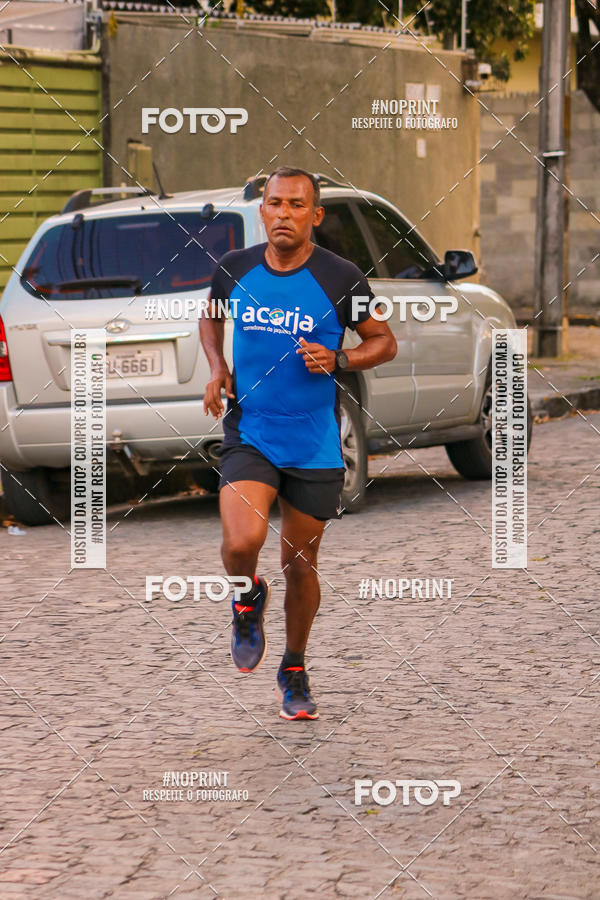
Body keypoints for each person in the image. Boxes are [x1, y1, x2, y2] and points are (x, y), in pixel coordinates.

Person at [200, 166, 397, 720]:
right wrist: (217, 368)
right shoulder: (234, 269)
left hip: (313, 444)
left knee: (300, 566)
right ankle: (246, 597)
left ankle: (294, 668)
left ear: (316, 215)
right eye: (275, 203)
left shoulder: (341, 278)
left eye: (296, 205)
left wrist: (341, 358)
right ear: (261, 211)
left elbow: (384, 342)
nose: (284, 213)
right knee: (241, 544)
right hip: (251, 432)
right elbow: (209, 317)